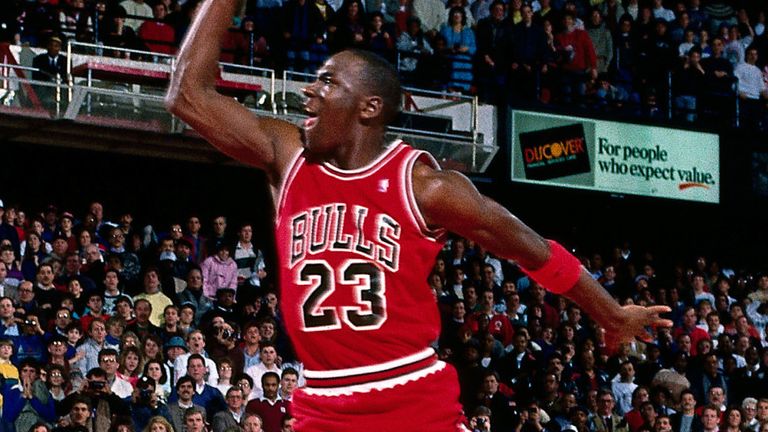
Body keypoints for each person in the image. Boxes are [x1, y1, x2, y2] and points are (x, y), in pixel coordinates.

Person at [165, 1, 672, 429]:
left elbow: (530, 248)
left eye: (326, 82)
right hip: (322, 403)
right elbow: (186, 95)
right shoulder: (287, 154)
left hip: (410, 398)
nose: (309, 91)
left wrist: (610, 311)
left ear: (368, 107)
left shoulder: (426, 186)